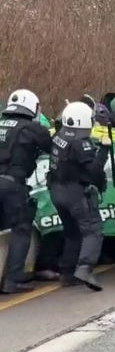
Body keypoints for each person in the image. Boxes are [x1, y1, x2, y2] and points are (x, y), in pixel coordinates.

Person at [47, 101, 110, 291]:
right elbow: (94, 171)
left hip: (56, 190)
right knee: (93, 230)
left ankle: (67, 272)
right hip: (74, 192)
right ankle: (85, 267)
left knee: (72, 232)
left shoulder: (60, 136)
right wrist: (104, 150)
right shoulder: (80, 143)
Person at [0, 89, 53, 294]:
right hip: (13, 185)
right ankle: (13, 279)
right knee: (21, 229)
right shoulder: (31, 128)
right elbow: (51, 148)